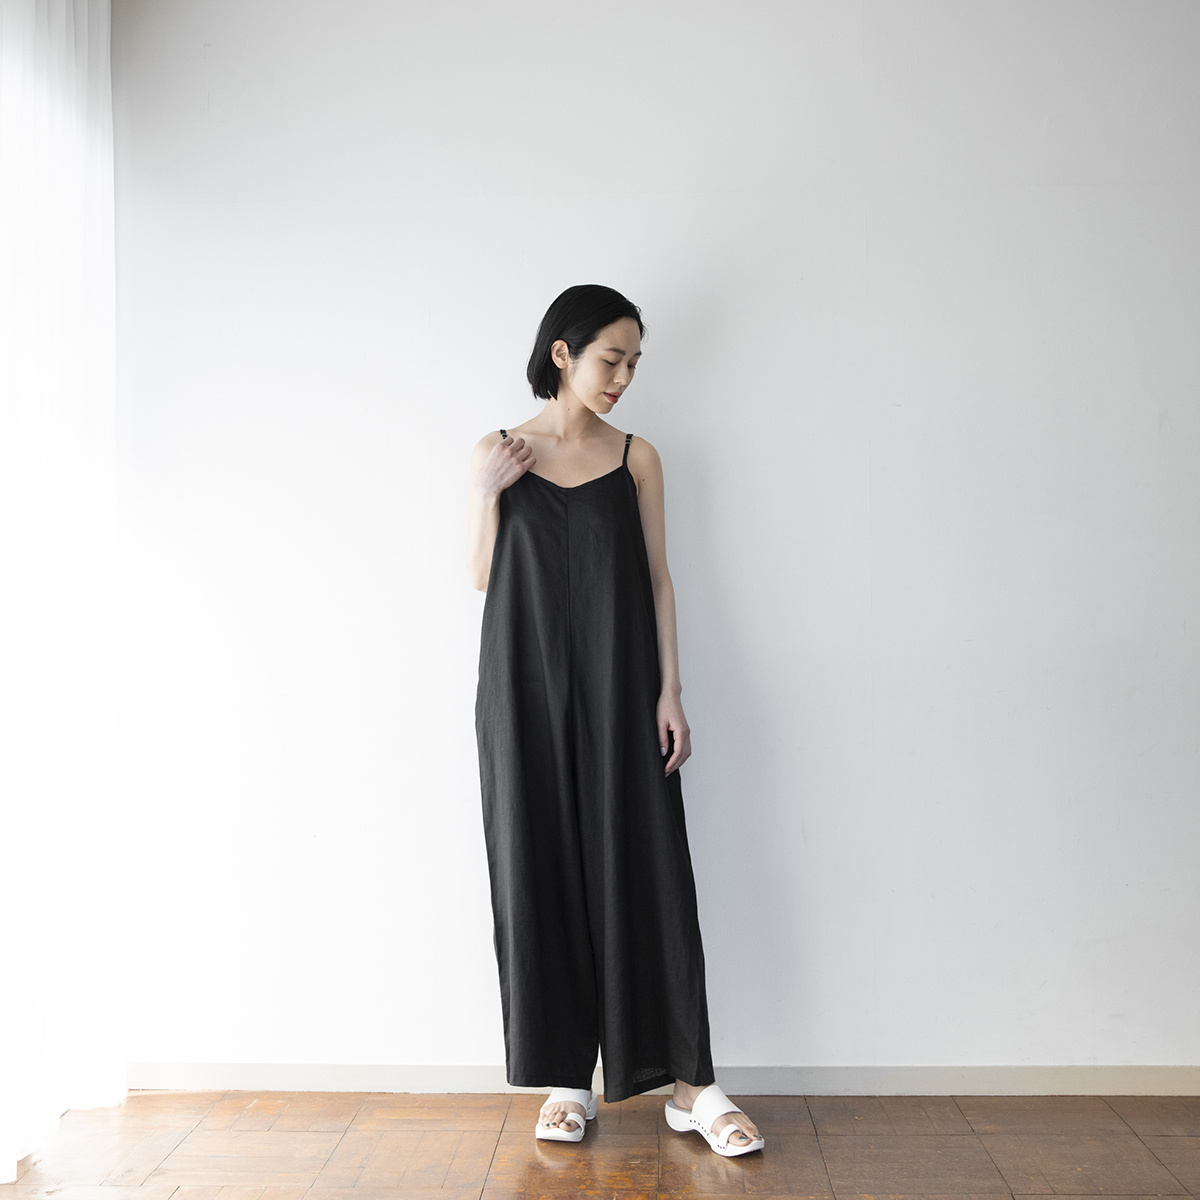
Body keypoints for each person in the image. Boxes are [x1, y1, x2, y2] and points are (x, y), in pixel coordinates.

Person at [466, 285, 764, 1158]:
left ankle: (691, 1086)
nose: (624, 377)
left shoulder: (637, 457)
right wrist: (486, 493)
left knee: (650, 869)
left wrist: (670, 691)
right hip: (522, 690)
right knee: (541, 867)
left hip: (623, 686)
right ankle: (567, 1079)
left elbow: (660, 579)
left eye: (634, 362)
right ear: (562, 352)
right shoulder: (499, 451)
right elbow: (481, 577)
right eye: (611, 358)